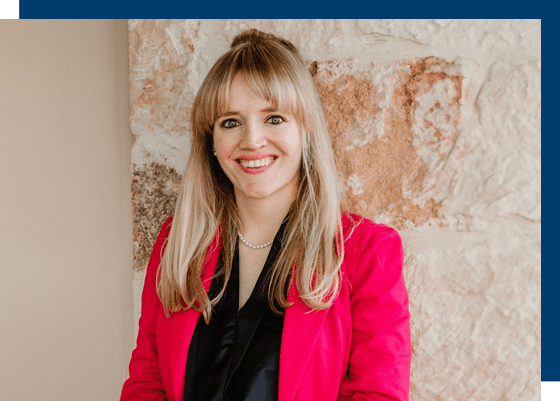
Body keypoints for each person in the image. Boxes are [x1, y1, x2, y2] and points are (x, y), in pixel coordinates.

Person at [121, 29, 411, 401]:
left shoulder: (365, 253)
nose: (252, 140)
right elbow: (146, 383)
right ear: (210, 141)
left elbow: (378, 394)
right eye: (230, 122)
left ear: (305, 130)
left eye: (274, 118)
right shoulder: (176, 243)